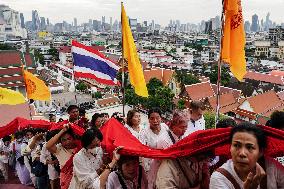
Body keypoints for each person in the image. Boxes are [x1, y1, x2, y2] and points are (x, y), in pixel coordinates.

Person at [210, 122, 284, 189]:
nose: (242, 153)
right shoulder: (220, 178)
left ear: (260, 152)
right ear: (230, 148)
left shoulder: (272, 168)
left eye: (249, 147)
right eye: (236, 145)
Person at [149, 109, 189, 188]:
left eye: (186, 126)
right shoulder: (163, 140)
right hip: (163, 178)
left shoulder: (183, 136)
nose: (185, 129)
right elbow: (164, 165)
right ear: (173, 126)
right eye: (182, 127)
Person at [46, 124, 80, 189]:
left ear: (73, 138)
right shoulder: (59, 148)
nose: (67, 142)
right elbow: (48, 146)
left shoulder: (80, 148)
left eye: (69, 139)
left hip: (78, 179)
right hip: (66, 180)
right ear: (60, 141)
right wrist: (62, 131)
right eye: (64, 140)